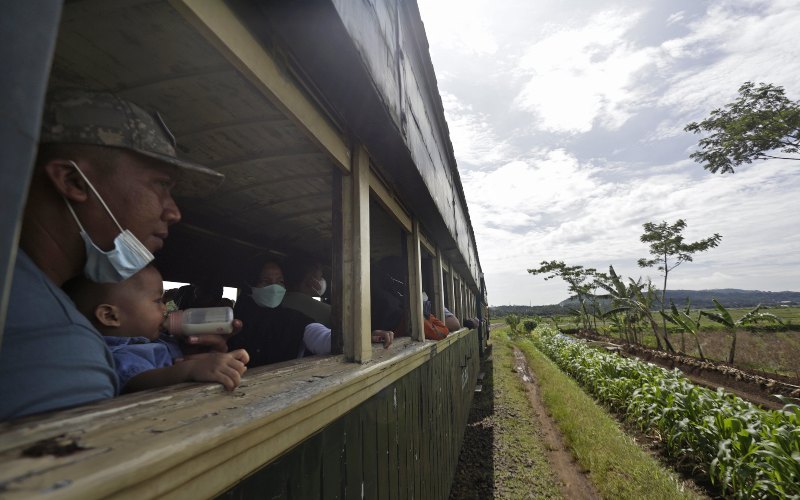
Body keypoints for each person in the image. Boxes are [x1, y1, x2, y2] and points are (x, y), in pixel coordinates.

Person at [0, 89, 228, 420]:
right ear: (73, 181)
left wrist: (175, 357)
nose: (173, 212)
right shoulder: (59, 346)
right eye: (160, 184)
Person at [66, 266, 249, 392]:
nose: (165, 308)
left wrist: (193, 350)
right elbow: (139, 381)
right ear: (110, 316)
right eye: (157, 301)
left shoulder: (157, 338)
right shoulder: (120, 354)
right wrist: (190, 369)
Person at [229, 259, 393, 367]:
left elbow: (321, 337)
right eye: (266, 281)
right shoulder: (233, 322)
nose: (275, 288)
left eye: (280, 281)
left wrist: (360, 338)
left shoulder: (290, 318)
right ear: (249, 285)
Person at [281, 254, 331, 327]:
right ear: (310, 278)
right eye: (321, 272)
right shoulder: (329, 313)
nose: (322, 275)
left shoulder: (276, 303)